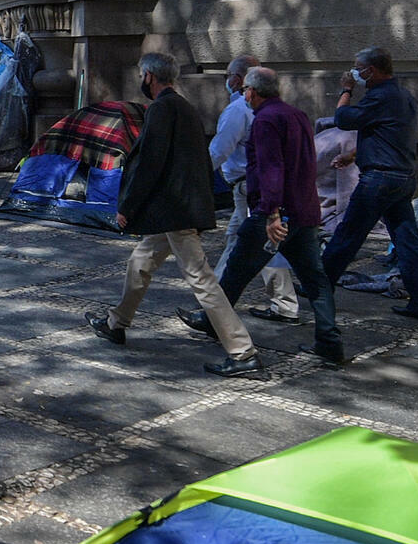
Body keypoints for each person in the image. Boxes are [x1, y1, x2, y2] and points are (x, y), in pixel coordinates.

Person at [87, 53, 259, 376]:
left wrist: (127, 207)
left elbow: (150, 164)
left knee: (201, 278)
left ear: (150, 76)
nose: (141, 79)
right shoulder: (183, 107)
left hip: (175, 212)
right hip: (175, 210)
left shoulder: (163, 109)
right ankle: (116, 323)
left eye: (142, 73)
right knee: (139, 263)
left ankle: (242, 350)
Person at [199, 67, 345, 367]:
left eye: (245, 91)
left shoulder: (265, 120)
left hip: (276, 215)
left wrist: (272, 214)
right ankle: (330, 343)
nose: (243, 95)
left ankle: (216, 325)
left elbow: (271, 169)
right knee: (315, 280)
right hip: (304, 211)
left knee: (236, 272)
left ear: (252, 92)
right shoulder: (297, 115)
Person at [322, 46, 418, 321]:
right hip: (402, 177)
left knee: (347, 235)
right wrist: (353, 155)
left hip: (380, 179)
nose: (353, 71)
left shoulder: (381, 97)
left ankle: (318, 286)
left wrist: (346, 90)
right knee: (407, 241)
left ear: (369, 70)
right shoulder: (402, 95)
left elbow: (343, 119)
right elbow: (388, 136)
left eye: (356, 66)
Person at [209, 54, 300, 323]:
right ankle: (216, 300)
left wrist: (193, 175)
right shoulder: (284, 111)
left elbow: (219, 150)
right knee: (242, 241)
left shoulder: (239, 111)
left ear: (239, 81)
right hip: (256, 188)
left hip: (250, 188)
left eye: (229, 76)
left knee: (263, 243)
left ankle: (217, 304)